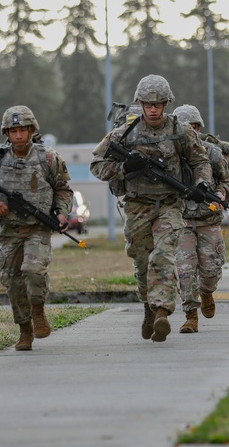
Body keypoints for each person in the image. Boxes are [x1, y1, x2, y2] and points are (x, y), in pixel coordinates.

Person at [90, 75, 212, 342]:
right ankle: (148, 305)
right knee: (143, 261)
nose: (154, 109)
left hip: (170, 204)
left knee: (164, 255)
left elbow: (200, 161)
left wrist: (202, 184)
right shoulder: (124, 133)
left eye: (159, 104)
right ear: (140, 103)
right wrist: (123, 168)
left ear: (168, 103)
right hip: (137, 206)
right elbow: (97, 166)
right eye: (148, 104)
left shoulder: (182, 131)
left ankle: (162, 311)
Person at [0, 106, 74, 351]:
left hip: (38, 227)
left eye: (23, 130)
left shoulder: (48, 158)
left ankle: (38, 310)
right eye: (13, 130)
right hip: (9, 230)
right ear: (7, 132)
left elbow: (63, 189)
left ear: (31, 130)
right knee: (11, 280)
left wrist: (61, 212)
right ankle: (25, 329)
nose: (18, 135)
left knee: (33, 270)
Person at [170, 104, 229, 333]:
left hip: (209, 219)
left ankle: (207, 292)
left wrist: (220, 194)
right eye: (182, 128)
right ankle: (190, 316)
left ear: (198, 128)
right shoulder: (170, 154)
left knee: (211, 270)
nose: (188, 132)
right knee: (185, 269)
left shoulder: (212, 153)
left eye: (192, 127)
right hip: (182, 220)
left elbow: (228, 180)